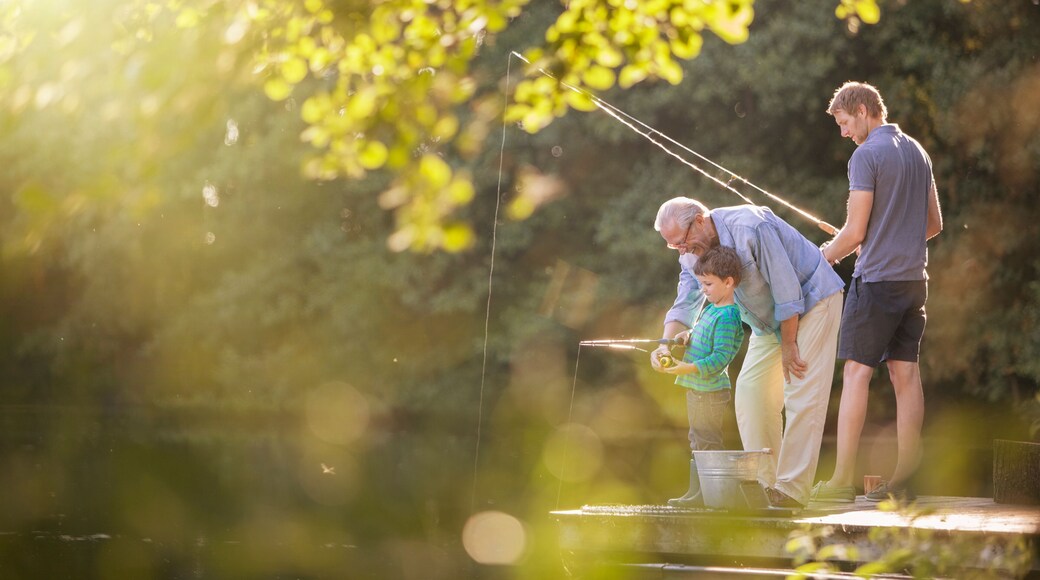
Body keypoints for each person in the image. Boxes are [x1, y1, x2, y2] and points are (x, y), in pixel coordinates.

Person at [651, 198, 845, 508]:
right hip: (766, 320)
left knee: (801, 389)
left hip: (811, 301)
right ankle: (766, 485)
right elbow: (686, 297)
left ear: (700, 220)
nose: (682, 250)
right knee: (751, 392)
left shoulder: (750, 227)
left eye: (682, 241)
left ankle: (791, 490)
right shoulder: (691, 254)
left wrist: (789, 344)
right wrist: (665, 344)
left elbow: (786, 288)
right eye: (674, 247)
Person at [812, 82, 943, 503]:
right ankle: (906, 480)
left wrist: (824, 257)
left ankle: (840, 481)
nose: (844, 132)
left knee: (855, 373)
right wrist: (888, 238)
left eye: (845, 122)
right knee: (906, 374)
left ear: (865, 110)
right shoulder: (918, 152)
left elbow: (852, 233)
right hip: (914, 281)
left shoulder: (866, 156)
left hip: (877, 283)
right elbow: (934, 224)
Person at [659, 245, 746, 508]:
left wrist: (688, 368)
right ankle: (698, 493)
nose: (704, 290)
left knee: (708, 442)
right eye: (701, 284)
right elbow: (701, 335)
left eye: (708, 284)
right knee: (697, 440)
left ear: (728, 282)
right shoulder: (710, 308)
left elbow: (720, 358)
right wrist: (687, 336)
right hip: (697, 390)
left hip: (710, 393)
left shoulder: (729, 316)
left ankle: (712, 496)